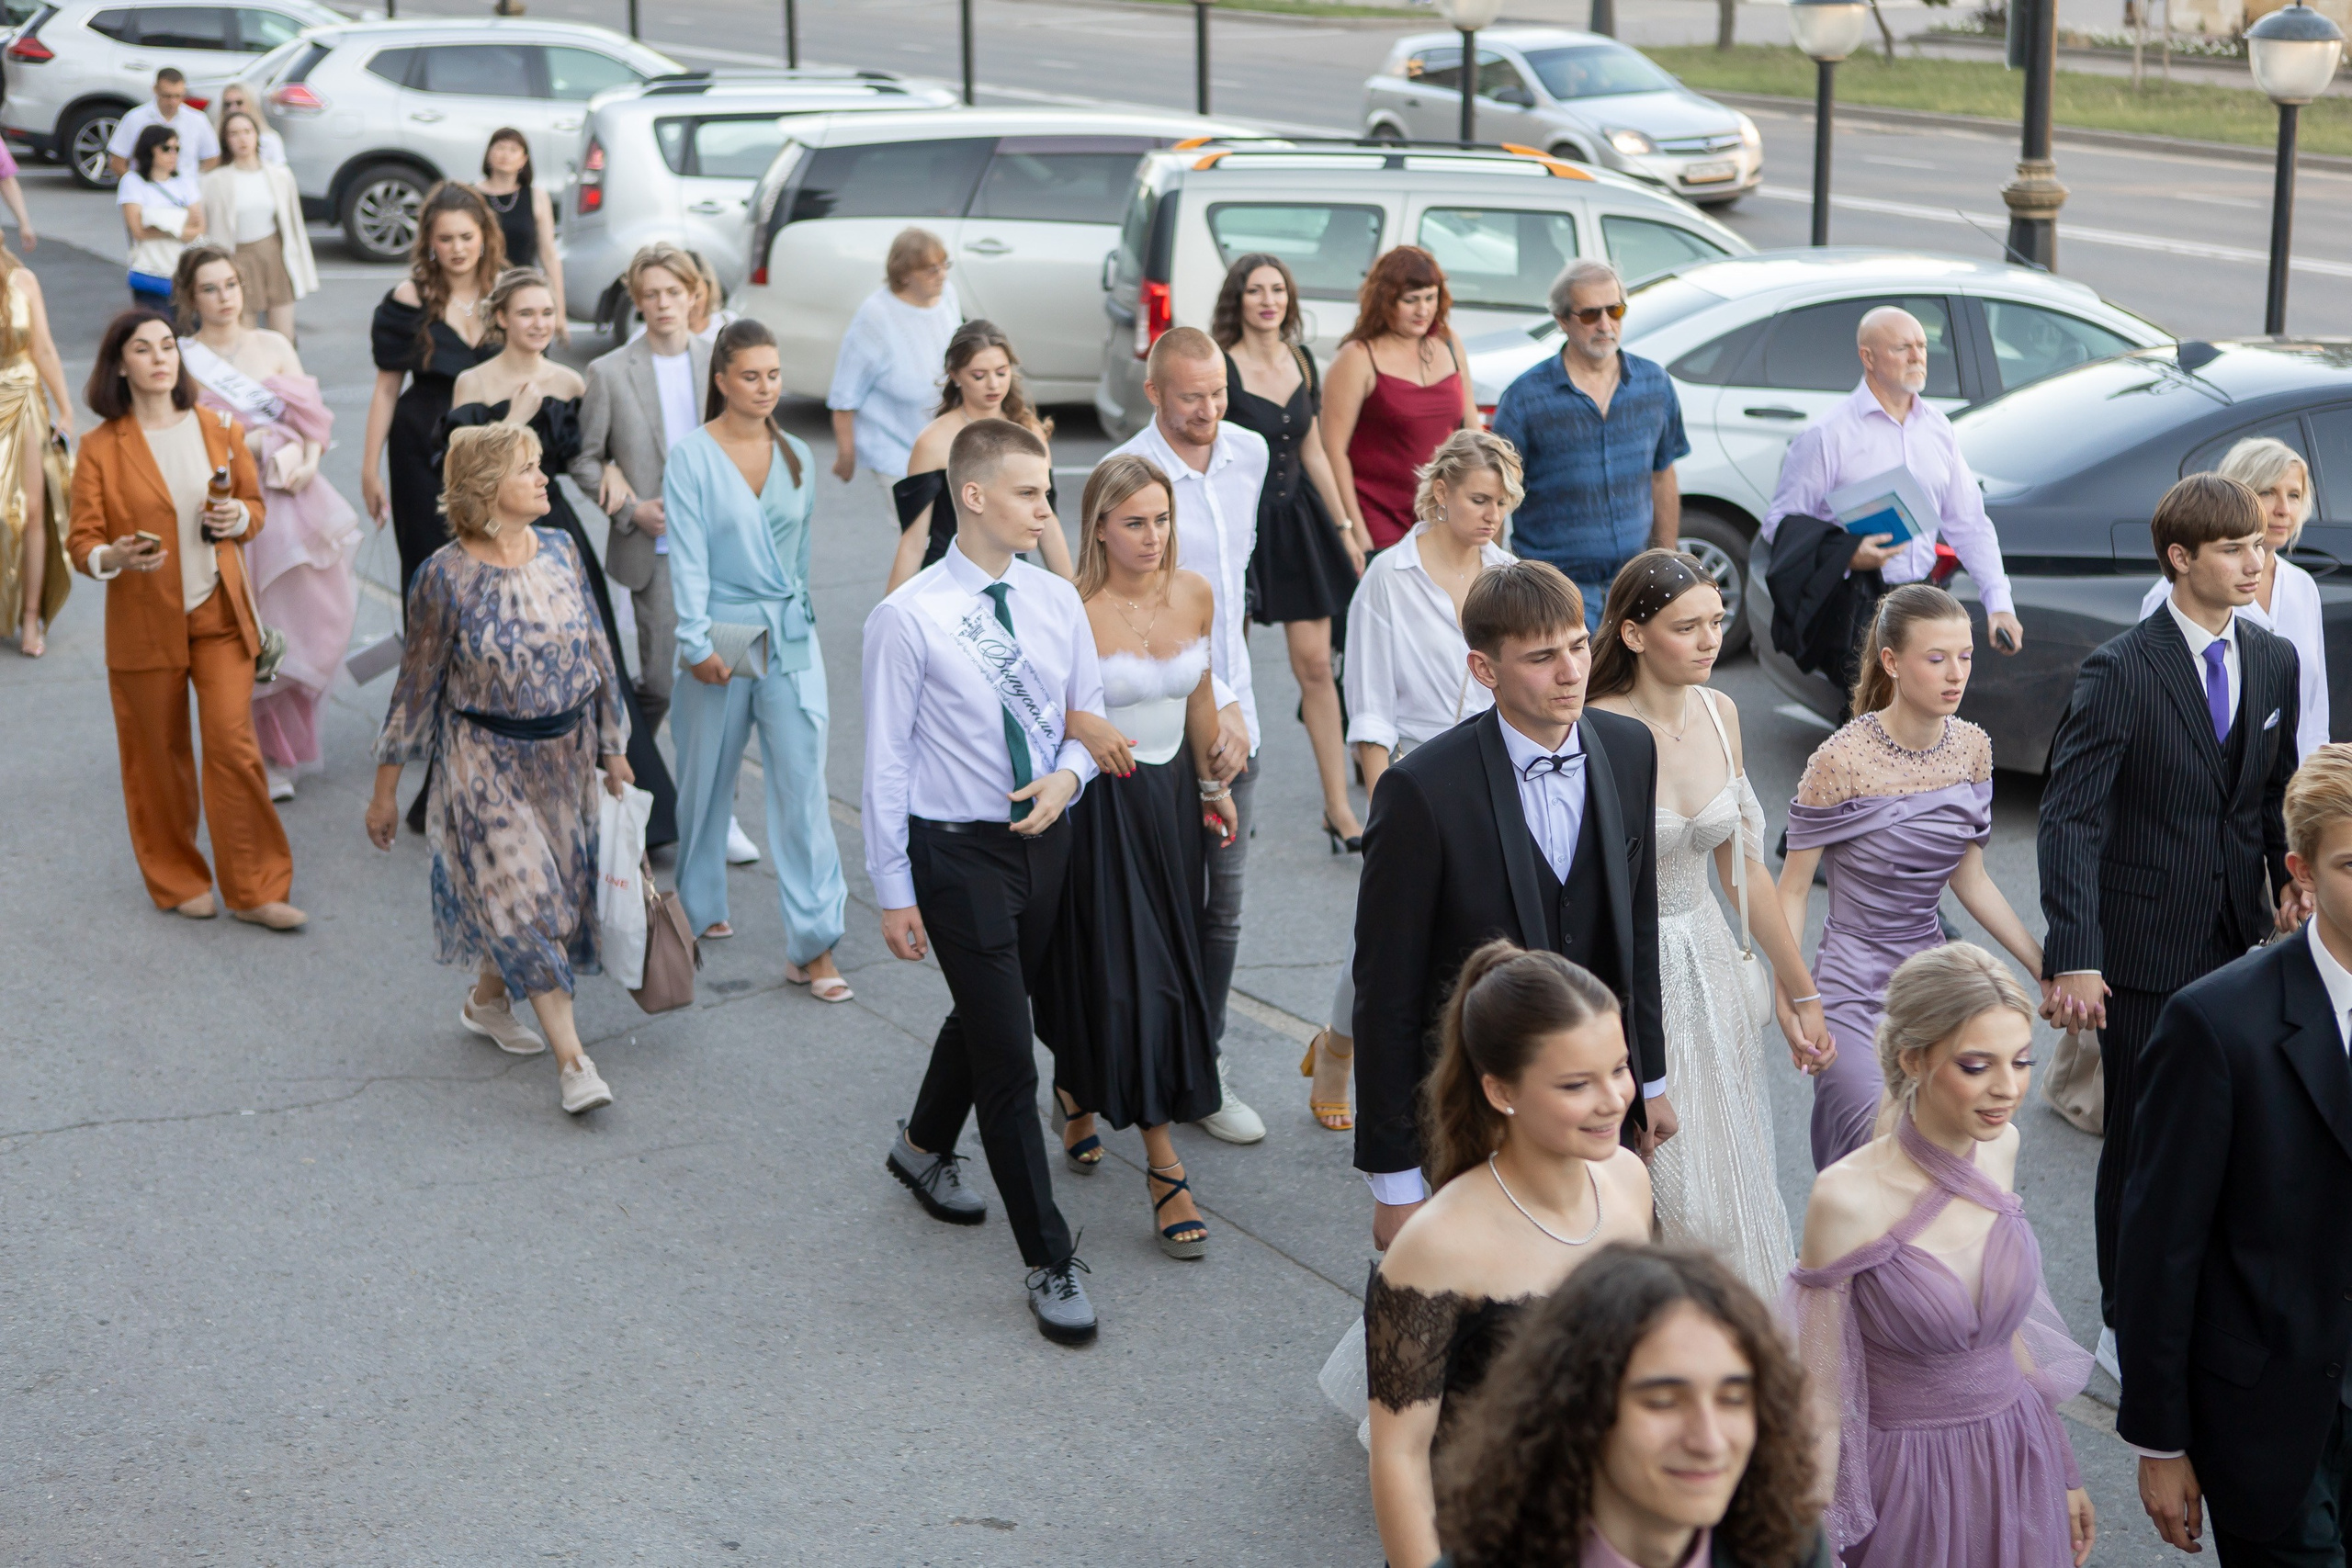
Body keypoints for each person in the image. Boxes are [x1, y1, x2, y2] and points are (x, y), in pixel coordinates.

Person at [2039, 471, 2299, 1365]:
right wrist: (2074, 952)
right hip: (2141, 951)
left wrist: (2287, 877)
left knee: (2226, 1131)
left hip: (2239, 942)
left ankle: (2199, 1294)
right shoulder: (2119, 670)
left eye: (2259, 546)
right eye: (2234, 549)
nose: (2253, 562)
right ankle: (2123, 1316)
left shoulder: (2272, 660)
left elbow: (2268, 795)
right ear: (2179, 558)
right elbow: (2070, 816)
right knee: (2144, 1137)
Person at [1353, 559, 1666, 1251]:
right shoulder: (1421, 791)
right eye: (1542, 656)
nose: (1571, 671)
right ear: (1484, 668)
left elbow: (1636, 932)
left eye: (1580, 645)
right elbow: (1386, 993)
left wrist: (1650, 1081)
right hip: (1480, 1108)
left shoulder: (1628, 748)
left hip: (1597, 1106)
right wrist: (1395, 1181)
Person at [2118, 745, 2352, 1565]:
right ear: (2303, 871)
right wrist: (2159, 1440)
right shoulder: (2215, 1024)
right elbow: (2160, 1245)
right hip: (2272, 1429)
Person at [1788, 942, 2095, 1568]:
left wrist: (2062, 1464)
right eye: (1977, 1065)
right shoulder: (1846, 1198)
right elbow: (1819, 1395)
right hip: (1909, 1484)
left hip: (2017, 1453)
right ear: (1913, 1059)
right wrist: (1809, 1541)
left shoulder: (2002, 1146)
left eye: (2022, 1061)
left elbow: (2005, 1334)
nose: (2007, 1089)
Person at [1588, 549, 1835, 1303]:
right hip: (1632, 973)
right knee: (1661, 1186)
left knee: (1733, 1170)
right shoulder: (1595, 730)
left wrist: (1801, 996)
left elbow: (1745, 872)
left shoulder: (1722, 712)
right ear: (1633, 635)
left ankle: (1727, 1353)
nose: (1706, 640)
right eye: (1684, 626)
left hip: (1716, 977)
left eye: (1715, 623)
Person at [1364, 941, 1654, 1568]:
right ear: (1501, 1091)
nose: (1612, 1099)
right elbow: (1398, 1454)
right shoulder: (1435, 1244)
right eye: (1577, 1083)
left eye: (1619, 1068)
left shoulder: (1630, 1180)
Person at [366, 423, 627, 1118]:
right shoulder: (444, 578)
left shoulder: (565, 550)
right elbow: (414, 688)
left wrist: (613, 743)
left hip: (564, 760)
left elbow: (599, 653)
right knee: (529, 899)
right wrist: (386, 791)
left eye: (541, 465)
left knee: (547, 904)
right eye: (529, 469)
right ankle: (575, 1062)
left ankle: (487, 998)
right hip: (484, 762)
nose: (545, 478)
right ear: (486, 491)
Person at [1033, 454, 1233, 1257]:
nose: (1153, 537)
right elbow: (1045, 715)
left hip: (1175, 806)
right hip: (1102, 809)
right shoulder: (1072, 609)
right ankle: (1163, 1165)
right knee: (1130, 980)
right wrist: (1085, 725)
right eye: (1134, 523)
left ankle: (1079, 1085)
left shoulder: (1194, 592)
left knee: (1164, 972)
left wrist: (1216, 783)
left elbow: (1199, 696)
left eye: (1162, 520)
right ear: (1100, 528)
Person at [1779, 583, 2043, 1171]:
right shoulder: (1840, 760)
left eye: (1965, 657)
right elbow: (1791, 891)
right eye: (1937, 658)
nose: (1956, 674)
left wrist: (2041, 964)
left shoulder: (1973, 749)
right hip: (1848, 979)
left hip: (1930, 980)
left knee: (1940, 1149)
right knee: (1868, 1148)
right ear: (1892, 662)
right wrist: (1794, 995)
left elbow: (1970, 880)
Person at [1309, 429, 1519, 1134]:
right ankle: (1340, 1044)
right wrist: (1382, 806)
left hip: (1492, 772)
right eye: (1480, 499)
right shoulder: (1387, 580)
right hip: (1413, 774)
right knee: (1379, 939)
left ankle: (1461, 1090)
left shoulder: (1506, 572)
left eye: (1503, 501)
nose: (1493, 514)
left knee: (1483, 935)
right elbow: (1368, 705)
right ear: (1440, 493)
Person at [65, 310, 300, 931]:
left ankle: (255, 888)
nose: (160, 357)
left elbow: (252, 506)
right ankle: (177, 876)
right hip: (144, 621)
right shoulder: (98, 449)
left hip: (219, 614)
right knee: (156, 755)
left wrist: (240, 521)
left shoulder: (219, 426)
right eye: (143, 349)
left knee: (233, 746)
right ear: (121, 364)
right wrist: (111, 555)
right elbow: (82, 541)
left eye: (168, 345)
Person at [442, 265, 677, 851]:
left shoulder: (571, 381)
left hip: (553, 531)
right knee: (498, 662)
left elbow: (585, 456)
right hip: (490, 533)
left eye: (548, 313)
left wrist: (615, 472)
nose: (540, 323)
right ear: (501, 318)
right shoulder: (472, 383)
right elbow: (455, 473)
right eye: (526, 313)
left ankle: (619, 791)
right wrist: (514, 421)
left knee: (592, 659)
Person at [1108, 326, 1267, 1145]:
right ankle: (1128, 1066)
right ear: (1155, 394)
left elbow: (1228, 598)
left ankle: (1204, 1066)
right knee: (1159, 904)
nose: (1209, 411)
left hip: (1238, 714)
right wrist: (1217, 705)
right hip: (1164, 724)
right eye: (1191, 398)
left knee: (1225, 911)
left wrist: (1239, 704)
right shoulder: (1131, 478)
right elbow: (1124, 606)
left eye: (1218, 394)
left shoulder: (1249, 454)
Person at [1431, 1246, 1833, 1568]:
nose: (1709, 1441)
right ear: (1579, 1408)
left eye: (1732, 1400)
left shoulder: (1791, 1548)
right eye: (1662, 1402)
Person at [662, 318, 850, 996]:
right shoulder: (691, 455)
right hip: (725, 626)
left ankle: (815, 942)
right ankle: (698, 907)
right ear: (721, 380)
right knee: (707, 777)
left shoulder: (797, 452)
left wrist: (804, 629)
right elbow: (685, 557)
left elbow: (798, 559)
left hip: (788, 630)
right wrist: (695, 641)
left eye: (774, 374)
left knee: (802, 786)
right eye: (750, 375)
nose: (766, 386)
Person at [1761, 306, 2025, 695]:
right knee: (1868, 725)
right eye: (1903, 347)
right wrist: (1848, 554)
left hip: (1925, 596)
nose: (1918, 356)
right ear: (1868, 357)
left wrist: (1999, 602)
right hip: (1860, 604)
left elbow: (1969, 524)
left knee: (1925, 718)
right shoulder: (1827, 435)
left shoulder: (1937, 428)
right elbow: (1779, 524)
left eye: (1922, 345)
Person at [173, 246, 356, 802]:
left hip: (289, 501)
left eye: (231, 284)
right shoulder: (183, 358)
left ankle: (284, 744)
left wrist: (307, 464)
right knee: (241, 625)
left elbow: (312, 423)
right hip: (225, 502)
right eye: (211, 288)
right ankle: (251, 748)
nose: (225, 297)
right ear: (190, 297)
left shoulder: (274, 345)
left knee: (307, 623)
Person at [1211, 252, 1365, 845]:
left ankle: (1338, 807)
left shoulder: (1302, 359)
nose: (1269, 300)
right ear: (1238, 300)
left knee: (1316, 667)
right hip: (1239, 527)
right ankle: (1223, 795)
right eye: (1256, 290)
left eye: (1278, 289)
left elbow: (1314, 451)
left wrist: (1346, 528)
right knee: (1226, 668)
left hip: (1298, 523)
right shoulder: (1221, 365)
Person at [1492, 260, 1690, 633]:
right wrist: (1493, 578)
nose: (1605, 324)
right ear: (1562, 320)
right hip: (1554, 592)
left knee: (1633, 691)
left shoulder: (1654, 384)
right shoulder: (1526, 398)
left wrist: (1667, 562)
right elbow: (1499, 494)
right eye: (1590, 314)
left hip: (1634, 586)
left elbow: (1662, 475)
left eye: (1615, 310)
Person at [572, 242, 707, 740]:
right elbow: (585, 458)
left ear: (693, 295)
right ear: (636, 299)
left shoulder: (720, 363)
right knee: (662, 682)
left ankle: (716, 810)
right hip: (661, 552)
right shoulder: (608, 372)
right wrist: (630, 510)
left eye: (674, 291)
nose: (663, 303)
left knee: (731, 679)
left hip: (726, 551)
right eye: (651, 294)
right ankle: (622, 761)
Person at [2139, 436, 2328, 762]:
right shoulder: (2173, 593)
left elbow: (2315, 707)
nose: (2283, 509)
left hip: (2289, 790)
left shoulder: (2303, 586)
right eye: (2267, 492)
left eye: (2294, 495)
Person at [362, 181, 499, 606]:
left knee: (495, 572)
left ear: (484, 237)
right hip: (421, 450)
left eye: (466, 237)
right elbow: (386, 389)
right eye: (445, 238)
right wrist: (369, 470)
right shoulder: (409, 299)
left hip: (494, 450)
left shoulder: (507, 292)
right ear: (429, 243)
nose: (457, 248)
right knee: (431, 569)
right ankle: (433, 668)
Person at [887, 318, 1069, 592]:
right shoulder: (933, 442)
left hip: (1010, 576)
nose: (993, 385)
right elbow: (913, 541)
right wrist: (889, 609)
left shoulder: (1029, 430)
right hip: (949, 579)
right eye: (979, 375)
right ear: (955, 375)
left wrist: (1076, 594)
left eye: (1001, 371)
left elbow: (1048, 521)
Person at [1321, 244, 1477, 555]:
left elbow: (1470, 429)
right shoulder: (1358, 356)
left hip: (1440, 513)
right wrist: (1353, 529)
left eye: (1430, 298)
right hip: (1378, 516)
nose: (1423, 311)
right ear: (1385, 301)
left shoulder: (1448, 343)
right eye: (1411, 301)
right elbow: (1332, 451)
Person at [827, 227, 959, 488]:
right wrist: (846, 454)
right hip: (895, 450)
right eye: (931, 269)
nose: (941, 275)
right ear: (905, 275)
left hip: (943, 446)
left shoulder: (948, 297)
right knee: (916, 528)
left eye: (945, 265)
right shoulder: (876, 316)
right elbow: (844, 394)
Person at [0, 241, 73, 658]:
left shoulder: (23, 280)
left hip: (23, 397)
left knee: (30, 512)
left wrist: (65, 408)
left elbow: (42, 347)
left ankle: (30, 616)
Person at [198, 111, 314, 340]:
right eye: (234, 133)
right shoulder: (214, 181)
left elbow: (294, 225)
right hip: (237, 257)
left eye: (247, 132)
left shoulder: (279, 175)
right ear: (226, 140)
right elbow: (207, 228)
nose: (242, 139)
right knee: (244, 334)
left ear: (257, 135)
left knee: (283, 335)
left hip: (274, 254)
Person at [473, 128, 566, 340]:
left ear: (524, 159)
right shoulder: (472, 196)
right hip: (484, 292)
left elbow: (549, 255)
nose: (506, 154)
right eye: (500, 148)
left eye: (513, 149)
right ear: (489, 155)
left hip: (526, 292)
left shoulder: (536, 196)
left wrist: (559, 310)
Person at [116, 125, 204, 307]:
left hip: (183, 270)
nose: (173, 154)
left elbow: (199, 227)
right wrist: (180, 225)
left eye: (176, 149)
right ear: (149, 150)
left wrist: (159, 223)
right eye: (166, 148)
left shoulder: (185, 182)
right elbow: (138, 231)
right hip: (151, 271)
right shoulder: (133, 182)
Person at [106, 69, 220, 179]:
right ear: (155, 89)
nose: (172, 102)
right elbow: (117, 161)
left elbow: (212, 157)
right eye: (167, 96)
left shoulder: (198, 119)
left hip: (185, 193)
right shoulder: (134, 118)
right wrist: (134, 185)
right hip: (146, 191)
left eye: (178, 96)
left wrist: (196, 183)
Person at [211, 83, 286, 166]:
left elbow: (280, 172)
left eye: (239, 103)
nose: (233, 109)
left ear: (251, 105)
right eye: (227, 105)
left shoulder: (270, 139)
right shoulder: (214, 139)